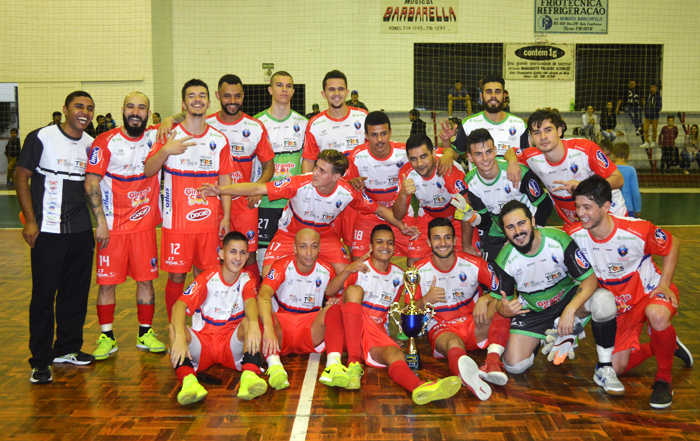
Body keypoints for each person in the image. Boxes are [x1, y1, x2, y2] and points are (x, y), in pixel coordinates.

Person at [568, 176, 693, 408]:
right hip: (619, 309)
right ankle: (666, 345)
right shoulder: (575, 234)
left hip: (649, 295)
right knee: (616, 368)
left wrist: (664, 283)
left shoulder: (636, 230)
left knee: (657, 315)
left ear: (606, 207)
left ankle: (664, 379)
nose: (580, 213)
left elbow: (672, 243)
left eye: (587, 207)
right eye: (577, 206)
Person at [198, 149, 419, 277]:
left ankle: (328, 308)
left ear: (336, 177)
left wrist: (401, 226)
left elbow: (380, 209)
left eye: (322, 171)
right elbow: (257, 188)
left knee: (346, 274)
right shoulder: (299, 183)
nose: (314, 172)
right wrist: (221, 190)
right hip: (289, 235)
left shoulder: (347, 192)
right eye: (316, 167)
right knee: (269, 276)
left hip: (325, 236)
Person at [490, 200, 623, 395]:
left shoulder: (559, 240)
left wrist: (569, 311)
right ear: (504, 231)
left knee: (604, 302)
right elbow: (499, 304)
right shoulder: (504, 260)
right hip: (534, 310)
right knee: (514, 366)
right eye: (510, 227)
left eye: (521, 223)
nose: (517, 231)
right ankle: (551, 334)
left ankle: (604, 368)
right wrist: (504, 309)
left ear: (533, 220)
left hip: (568, 300)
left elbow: (590, 280)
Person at [324, 224, 463, 404]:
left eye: (390, 243)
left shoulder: (399, 276)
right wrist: (348, 270)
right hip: (350, 331)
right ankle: (353, 364)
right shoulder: (359, 268)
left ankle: (419, 387)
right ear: (370, 247)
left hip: (374, 334)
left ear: (394, 247)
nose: (385, 246)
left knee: (396, 355)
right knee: (355, 290)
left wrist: (399, 331)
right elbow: (329, 291)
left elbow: (402, 311)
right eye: (379, 242)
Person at [16, 91, 97, 384]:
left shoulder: (92, 144)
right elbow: (21, 176)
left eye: (89, 108)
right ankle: (40, 360)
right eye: (79, 106)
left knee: (75, 294)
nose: (84, 112)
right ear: (65, 109)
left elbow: (93, 187)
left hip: (80, 233)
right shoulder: (41, 137)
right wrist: (30, 221)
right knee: (43, 297)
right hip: (47, 232)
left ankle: (68, 348)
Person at [144, 79, 234, 320]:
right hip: (176, 224)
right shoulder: (168, 135)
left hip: (209, 223)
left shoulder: (219, 139)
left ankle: (202, 322)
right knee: (176, 277)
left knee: (206, 274)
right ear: (184, 103)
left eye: (202, 95)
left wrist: (226, 216)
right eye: (192, 96)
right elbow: (148, 171)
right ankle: (176, 323)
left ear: (208, 101)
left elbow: (225, 181)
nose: (197, 100)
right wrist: (165, 150)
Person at [85, 92, 165, 360]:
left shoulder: (155, 137)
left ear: (148, 113)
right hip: (112, 227)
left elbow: (187, 117)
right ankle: (107, 336)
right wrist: (101, 223)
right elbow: (92, 183)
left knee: (146, 280)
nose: (136, 111)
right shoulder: (105, 141)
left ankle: (145, 333)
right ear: (122, 110)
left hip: (143, 226)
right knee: (107, 284)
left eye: (141, 108)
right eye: (131, 106)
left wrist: (172, 119)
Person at [412, 217, 513, 400]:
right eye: (436, 238)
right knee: (453, 344)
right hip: (443, 328)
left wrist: (485, 299)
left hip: (475, 323)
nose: (442, 243)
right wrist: (425, 300)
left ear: (455, 240)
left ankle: (492, 362)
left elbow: (504, 289)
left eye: (447, 238)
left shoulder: (473, 263)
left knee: (502, 305)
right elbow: (408, 312)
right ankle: (468, 378)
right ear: (428, 242)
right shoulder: (417, 271)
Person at [169, 231, 268, 404]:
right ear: (222, 254)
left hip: (230, 343)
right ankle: (189, 382)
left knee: (251, 322)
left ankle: (249, 377)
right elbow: (179, 306)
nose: (238, 257)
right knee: (173, 329)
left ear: (247, 257)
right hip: (203, 343)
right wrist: (179, 337)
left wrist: (253, 323)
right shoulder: (206, 278)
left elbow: (251, 302)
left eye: (243, 252)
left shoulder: (247, 278)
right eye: (233, 251)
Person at [257, 229, 354, 391]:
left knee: (335, 309)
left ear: (319, 248)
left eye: (313, 246)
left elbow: (337, 295)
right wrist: (268, 329)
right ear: (294, 248)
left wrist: (334, 299)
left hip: (310, 328)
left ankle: (333, 365)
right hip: (282, 329)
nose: (309, 253)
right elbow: (263, 294)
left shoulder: (326, 269)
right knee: (260, 311)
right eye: (303, 247)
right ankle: (274, 366)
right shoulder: (281, 266)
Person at [503, 108, 626, 224]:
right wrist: (513, 161)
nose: (543, 137)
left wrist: (584, 189)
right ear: (531, 137)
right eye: (536, 133)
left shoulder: (585, 149)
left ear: (559, 131)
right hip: (575, 222)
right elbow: (510, 152)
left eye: (548, 130)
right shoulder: (532, 156)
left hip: (610, 214)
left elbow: (618, 179)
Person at [461, 128, 553, 261]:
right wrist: (473, 218)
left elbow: (545, 205)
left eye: (488, 151)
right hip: (497, 234)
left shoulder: (517, 171)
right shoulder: (470, 183)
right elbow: (486, 222)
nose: (486, 158)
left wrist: (532, 232)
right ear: (470, 157)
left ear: (495, 150)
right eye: (478, 154)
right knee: (492, 275)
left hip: (527, 231)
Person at [392, 134, 479, 267]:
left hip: (457, 218)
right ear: (408, 158)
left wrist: (466, 245)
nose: (420, 164)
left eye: (424, 156)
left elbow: (466, 210)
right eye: (414, 159)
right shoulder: (406, 173)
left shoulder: (447, 170)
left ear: (433, 153)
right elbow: (397, 215)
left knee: (472, 260)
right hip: (428, 216)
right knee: (413, 263)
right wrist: (403, 194)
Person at [254, 71, 308, 269]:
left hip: (293, 203)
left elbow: (307, 163)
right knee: (263, 260)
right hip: (265, 202)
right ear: (270, 89)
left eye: (288, 86)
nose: (284, 89)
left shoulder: (303, 124)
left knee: (294, 259)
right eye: (279, 85)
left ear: (293, 91)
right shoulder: (257, 123)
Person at [346, 112, 414, 260]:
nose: (380, 140)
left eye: (383, 133)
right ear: (366, 135)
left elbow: (434, 156)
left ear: (390, 132)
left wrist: (447, 152)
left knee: (417, 256)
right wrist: (352, 184)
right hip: (369, 215)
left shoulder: (404, 152)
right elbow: (345, 188)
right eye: (374, 135)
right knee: (359, 260)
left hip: (401, 214)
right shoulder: (357, 156)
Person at [442, 75, 527, 167]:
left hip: (511, 181)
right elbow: (454, 156)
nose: (493, 96)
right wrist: (446, 142)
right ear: (481, 97)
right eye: (488, 92)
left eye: (498, 92)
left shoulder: (519, 125)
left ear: (504, 96)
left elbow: (527, 160)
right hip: (477, 181)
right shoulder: (468, 124)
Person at [301, 70, 368, 173]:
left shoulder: (363, 116)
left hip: (361, 184)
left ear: (347, 92)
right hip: (330, 187)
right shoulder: (315, 124)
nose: (337, 94)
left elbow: (375, 152)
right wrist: (308, 188)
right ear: (324, 94)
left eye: (340, 89)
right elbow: (309, 161)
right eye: (331, 89)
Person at [611, 143, 641, 217]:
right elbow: (635, 192)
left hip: (612, 207)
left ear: (613, 155)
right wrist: (638, 208)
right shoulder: (631, 170)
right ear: (628, 157)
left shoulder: (609, 168)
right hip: (628, 207)